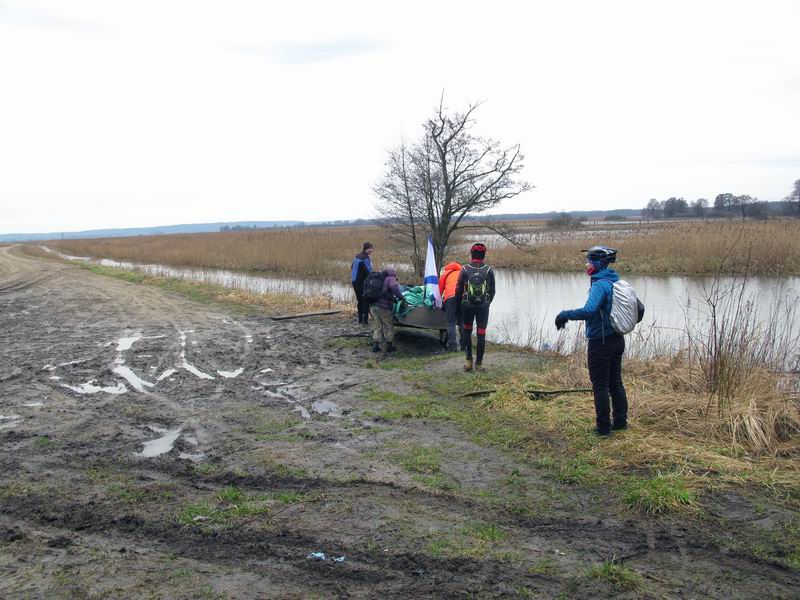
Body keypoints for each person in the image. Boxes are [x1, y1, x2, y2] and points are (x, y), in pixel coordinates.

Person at [554, 246, 628, 436]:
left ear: (597, 264)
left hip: (601, 342)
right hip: (617, 339)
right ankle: (620, 422)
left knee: (600, 385)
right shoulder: (615, 280)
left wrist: (565, 314)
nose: (586, 264)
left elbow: (589, 310)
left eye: (588, 261)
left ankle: (603, 428)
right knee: (615, 382)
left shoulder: (599, 285)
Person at [455, 243, 495, 371]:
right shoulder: (489, 270)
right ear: (484, 255)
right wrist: (487, 303)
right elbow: (493, 291)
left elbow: (458, 290)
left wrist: (457, 309)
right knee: (481, 334)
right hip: (483, 307)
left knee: (467, 331)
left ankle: (468, 362)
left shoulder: (464, 269)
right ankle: (479, 364)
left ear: (471, 254)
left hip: (467, 306)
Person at [370, 267, 405, 353]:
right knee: (388, 325)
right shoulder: (391, 278)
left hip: (373, 305)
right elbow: (393, 287)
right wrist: (400, 297)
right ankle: (389, 346)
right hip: (384, 306)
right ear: (393, 273)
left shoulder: (379, 277)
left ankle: (375, 345)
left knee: (377, 325)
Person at [439, 260, 464, 352]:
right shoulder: (463, 272)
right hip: (462, 297)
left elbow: (440, 290)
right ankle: (464, 346)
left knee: (451, 323)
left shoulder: (445, 274)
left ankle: (452, 347)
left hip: (450, 298)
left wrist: (439, 302)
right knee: (462, 322)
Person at [351, 242, 373, 325]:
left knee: (359, 300)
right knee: (365, 300)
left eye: (371, 248)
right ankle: (365, 321)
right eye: (370, 248)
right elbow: (369, 272)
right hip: (360, 282)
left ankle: (360, 320)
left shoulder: (357, 256)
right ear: (366, 249)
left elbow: (352, 266)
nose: (371, 250)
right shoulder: (365, 258)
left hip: (354, 281)